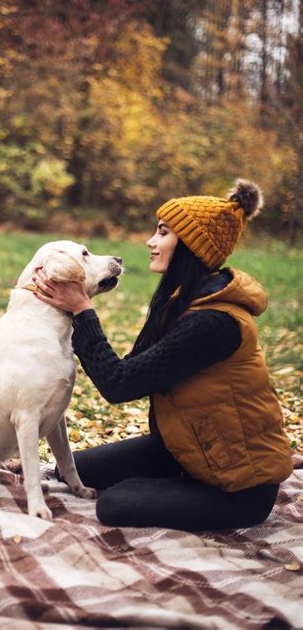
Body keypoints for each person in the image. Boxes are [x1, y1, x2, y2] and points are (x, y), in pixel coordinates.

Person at [32, 179, 293, 532]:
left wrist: (82, 311)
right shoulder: (184, 304)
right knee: (72, 470)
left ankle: (173, 491)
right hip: (187, 451)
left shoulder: (214, 323)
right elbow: (126, 372)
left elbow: (118, 385)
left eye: (163, 232)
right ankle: (169, 483)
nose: (150, 241)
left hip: (238, 486)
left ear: (190, 244)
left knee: (115, 503)